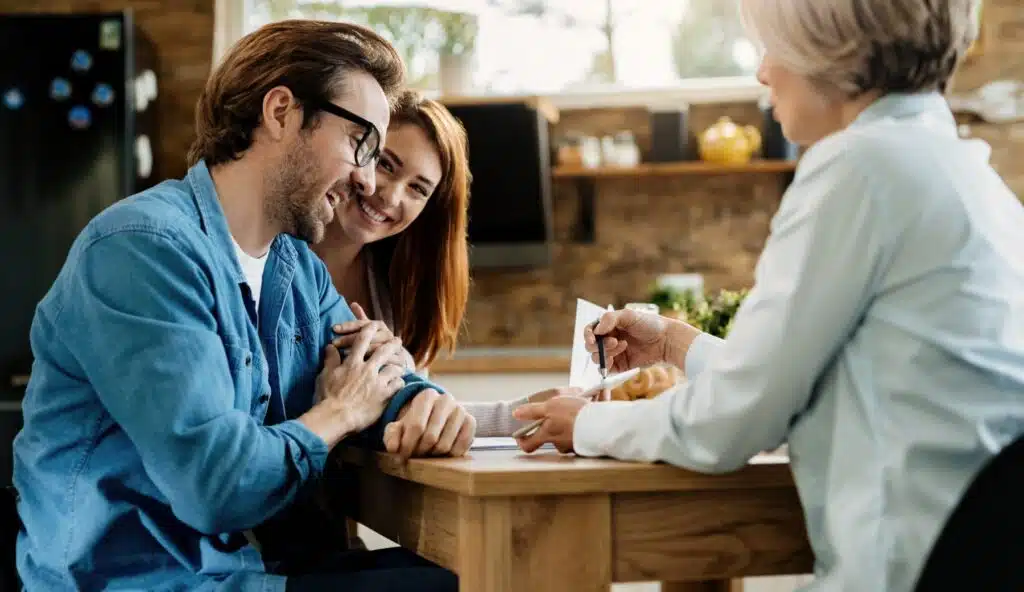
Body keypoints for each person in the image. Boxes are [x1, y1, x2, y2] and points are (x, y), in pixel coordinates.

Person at [513, 0, 1024, 590]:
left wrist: (584, 426)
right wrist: (677, 345)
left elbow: (730, 425)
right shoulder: (962, 171)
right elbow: (792, 378)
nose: (762, 74)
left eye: (771, 48)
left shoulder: (859, 167)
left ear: (832, 49)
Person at [12, 20, 473, 592]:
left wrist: (422, 404)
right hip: (150, 582)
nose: (362, 176)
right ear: (281, 112)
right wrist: (340, 413)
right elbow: (217, 487)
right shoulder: (143, 248)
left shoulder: (294, 267)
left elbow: (376, 373)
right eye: (361, 143)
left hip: (261, 571)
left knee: (491, 571)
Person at [313, 89, 579, 455]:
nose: (390, 197)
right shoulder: (273, 259)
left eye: (418, 189)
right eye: (386, 164)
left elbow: (411, 419)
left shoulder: (394, 288)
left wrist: (524, 413)